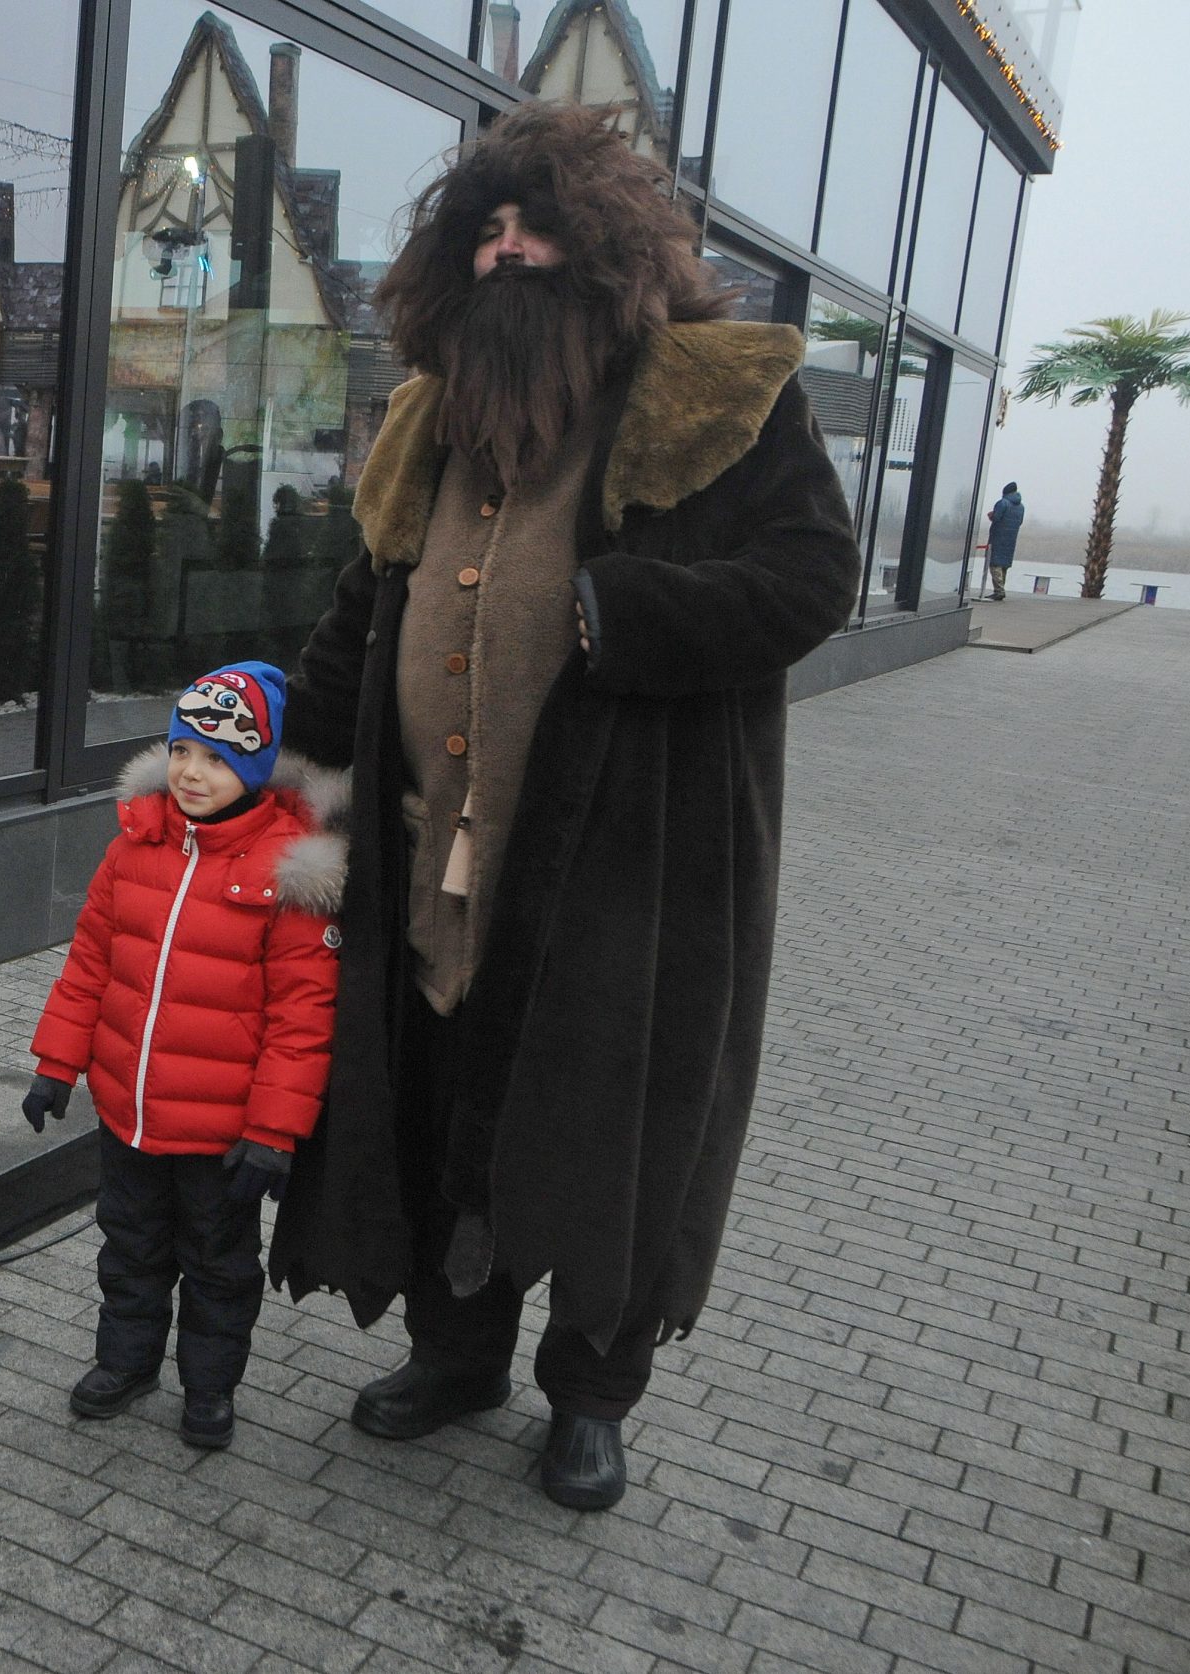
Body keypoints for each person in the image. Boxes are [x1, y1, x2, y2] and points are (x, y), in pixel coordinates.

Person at [268, 101, 861, 1511]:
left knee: (607, 1128)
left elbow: (811, 577)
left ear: (607, 251)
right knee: (436, 1107)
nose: (508, 250)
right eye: (486, 229)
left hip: (628, 868)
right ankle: (457, 1354)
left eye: (535, 225)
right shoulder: (434, 414)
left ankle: (591, 1397)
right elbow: (373, 595)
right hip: (428, 863)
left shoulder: (719, 396)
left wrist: (617, 612)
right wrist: (287, 743)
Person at [22, 663, 344, 1450]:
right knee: (129, 1247)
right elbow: (92, 962)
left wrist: (273, 1132)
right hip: (129, 1112)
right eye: (182, 751)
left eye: (220, 757)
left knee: (218, 1266)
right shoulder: (137, 846)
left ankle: (209, 1389)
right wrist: (56, 1062)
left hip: (221, 1134)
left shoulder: (287, 870)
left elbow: (303, 1019)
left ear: (259, 767)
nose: (194, 773)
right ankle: (127, 1364)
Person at [986, 481, 1025, 599]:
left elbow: (997, 518)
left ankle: (999, 591)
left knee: (995, 563)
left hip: (998, 537)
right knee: (1004, 565)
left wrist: (991, 515)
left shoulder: (1003, 503)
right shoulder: (1021, 507)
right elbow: (1020, 522)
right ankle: (1001, 588)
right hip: (1011, 538)